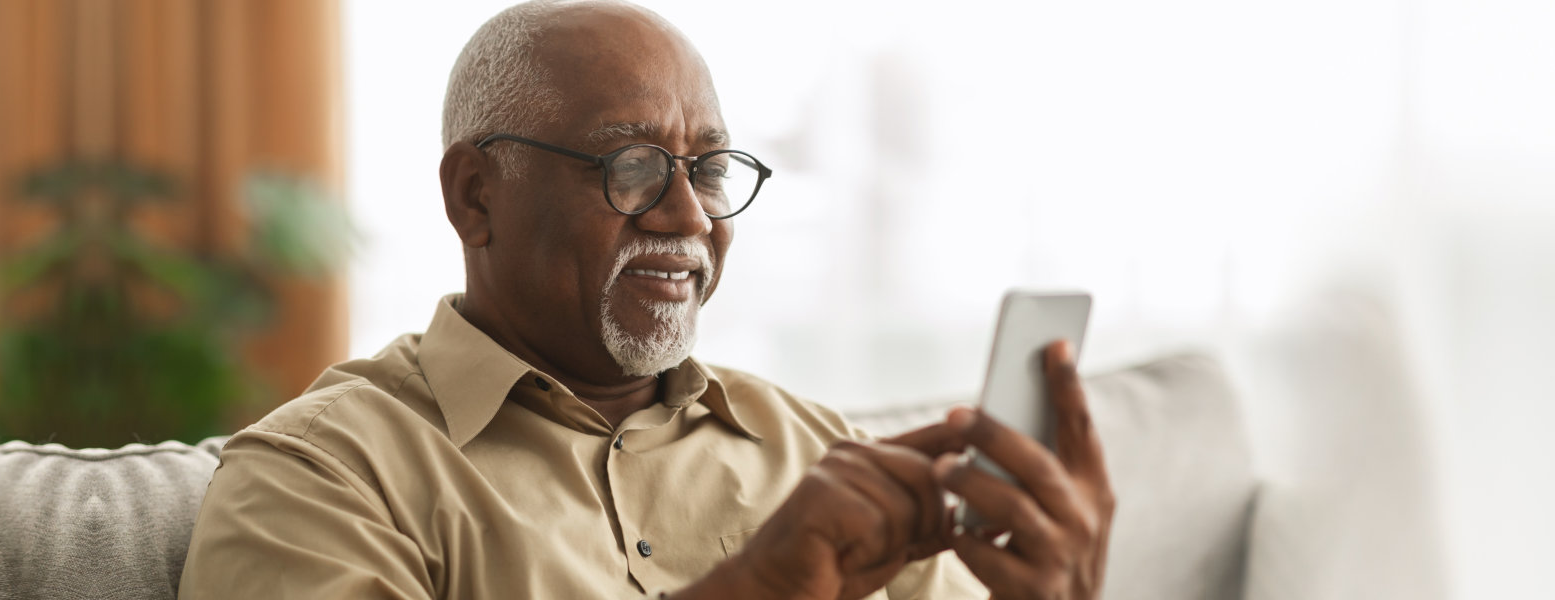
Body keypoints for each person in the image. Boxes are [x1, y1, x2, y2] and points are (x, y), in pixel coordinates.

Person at [177, 1, 1114, 598]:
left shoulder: (821, 452)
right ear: (476, 197)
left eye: (707, 169)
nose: (689, 217)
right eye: (631, 166)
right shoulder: (320, 478)